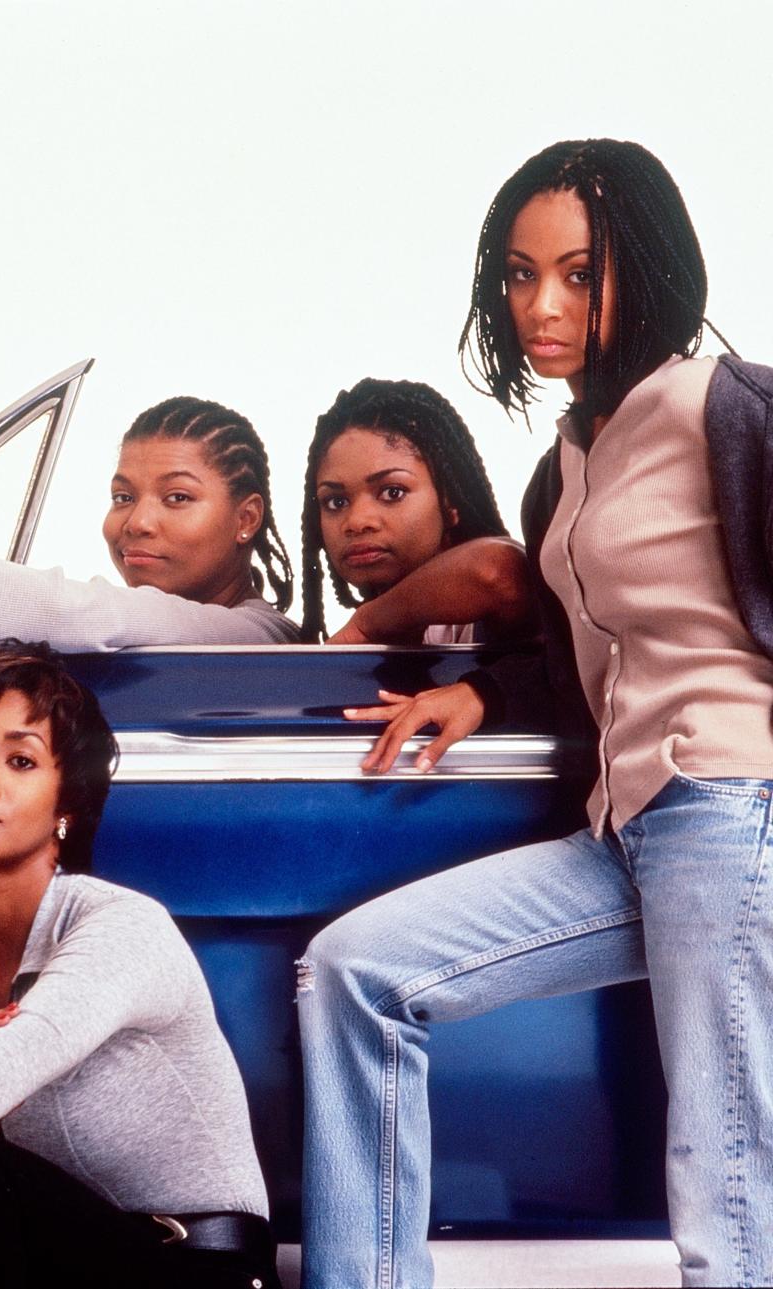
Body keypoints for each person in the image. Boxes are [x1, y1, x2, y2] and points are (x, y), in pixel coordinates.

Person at [297, 138, 773, 1288]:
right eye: (518, 274)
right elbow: (576, 658)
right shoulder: (563, 469)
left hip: (729, 808)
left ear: (647, 269)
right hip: (631, 829)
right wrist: (482, 688)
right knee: (356, 971)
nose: (540, 304)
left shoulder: (731, 408)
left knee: (726, 1178)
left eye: (578, 271)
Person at [0, 642, 281, 1289]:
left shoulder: (121, 926)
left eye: (21, 759)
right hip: (34, 1264)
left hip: (189, 1268)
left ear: (67, 801)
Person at [0, 396, 299, 648]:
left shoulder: (257, 636)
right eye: (123, 496)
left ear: (246, 518)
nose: (137, 522)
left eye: (177, 497)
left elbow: (83, 613)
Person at [299, 377, 531, 644]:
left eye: (392, 492)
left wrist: (368, 622)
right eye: (336, 502)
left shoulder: (482, 621)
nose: (357, 522)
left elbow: (498, 570)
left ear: (449, 501)